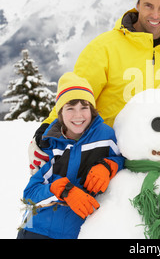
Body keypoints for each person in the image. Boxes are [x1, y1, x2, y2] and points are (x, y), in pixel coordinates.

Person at [28, 0, 160, 175]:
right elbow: (75, 94)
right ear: (137, 5)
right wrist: (47, 128)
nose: (155, 14)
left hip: (158, 157)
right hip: (105, 155)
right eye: (148, 5)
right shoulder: (105, 47)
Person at [18, 72, 124, 239]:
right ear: (60, 112)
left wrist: (108, 166)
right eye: (70, 108)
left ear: (92, 109)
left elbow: (127, 157)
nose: (78, 115)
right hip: (36, 229)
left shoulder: (106, 136)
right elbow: (30, 193)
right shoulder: (49, 143)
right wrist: (61, 190)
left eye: (84, 107)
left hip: (77, 232)